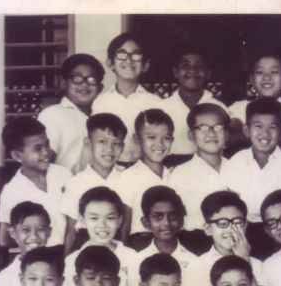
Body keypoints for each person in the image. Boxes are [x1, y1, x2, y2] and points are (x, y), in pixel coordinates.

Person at [221, 98, 281, 253]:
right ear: (246, 130)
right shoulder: (236, 162)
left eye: (272, 127)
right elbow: (231, 202)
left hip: (278, 230)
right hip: (244, 229)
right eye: (258, 126)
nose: (265, 133)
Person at [183, 190, 266, 286]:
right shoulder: (196, 267)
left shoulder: (257, 265)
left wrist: (244, 259)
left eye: (237, 223)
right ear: (208, 229)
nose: (231, 230)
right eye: (223, 224)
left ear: (246, 225)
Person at [61, 186, 141, 286]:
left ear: (119, 221)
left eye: (110, 218)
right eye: (94, 218)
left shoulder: (132, 257)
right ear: (82, 220)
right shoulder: (71, 260)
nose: (102, 225)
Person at [60, 113, 127, 254]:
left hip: (119, 241)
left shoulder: (128, 177)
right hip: (85, 242)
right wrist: (65, 260)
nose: (109, 149)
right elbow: (71, 230)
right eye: (102, 142)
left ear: (123, 146)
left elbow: (127, 223)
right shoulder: (76, 183)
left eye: (116, 144)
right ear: (88, 143)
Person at [0, 117, 70, 248]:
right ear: (17, 156)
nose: (46, 152)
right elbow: (4, 239)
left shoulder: (64, 175)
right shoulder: (12, 191)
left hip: (68, 253)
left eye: (47, 144)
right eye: (38, 149)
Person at [91, 33, 162, 165]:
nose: (129, 61)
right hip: (111, 169)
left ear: (145, 65)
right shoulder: (100, 102)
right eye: (122, 55)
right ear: (110, 63)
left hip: (144, 169)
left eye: (136, 55)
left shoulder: (156, 103)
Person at [166, 102, 232, 235]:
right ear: (191, 135)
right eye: (202, 128)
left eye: (218, 127)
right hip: (196, 241)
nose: (211, 133)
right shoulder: (180, 174)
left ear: (227, 134)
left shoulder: (238, 167)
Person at [38, 53, 104, 174]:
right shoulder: (53, 115)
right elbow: (42, 163)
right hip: (64, 189)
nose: (84, 84)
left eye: (92, 79)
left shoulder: (102, 117)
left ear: (100, 87)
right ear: (64, 83)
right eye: (77, 78)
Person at [159, 43, 227, 158]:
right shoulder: (162, 108)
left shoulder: (219, 108)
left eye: (199, 66)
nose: (192, 70)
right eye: (185, 65)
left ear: (208, 73)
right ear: (176, 72)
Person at [115, 108, 175, 236]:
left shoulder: (174, 175)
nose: (159, 144)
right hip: (140, 243)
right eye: (151, 137)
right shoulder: (128, 178)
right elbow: (124, 228)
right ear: (137, 139)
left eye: (166, 138)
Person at [227, 49, 281, 149]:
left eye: (274, 72)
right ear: (251, 79)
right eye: (260, 72)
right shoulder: (239, 108)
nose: (267, 77)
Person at [132, 185, 200, 282]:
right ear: (146, 222)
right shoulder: (136, 261)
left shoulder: (194, 261)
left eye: (172, 216)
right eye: (158, 217)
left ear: (181, 220)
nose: (166, 223)